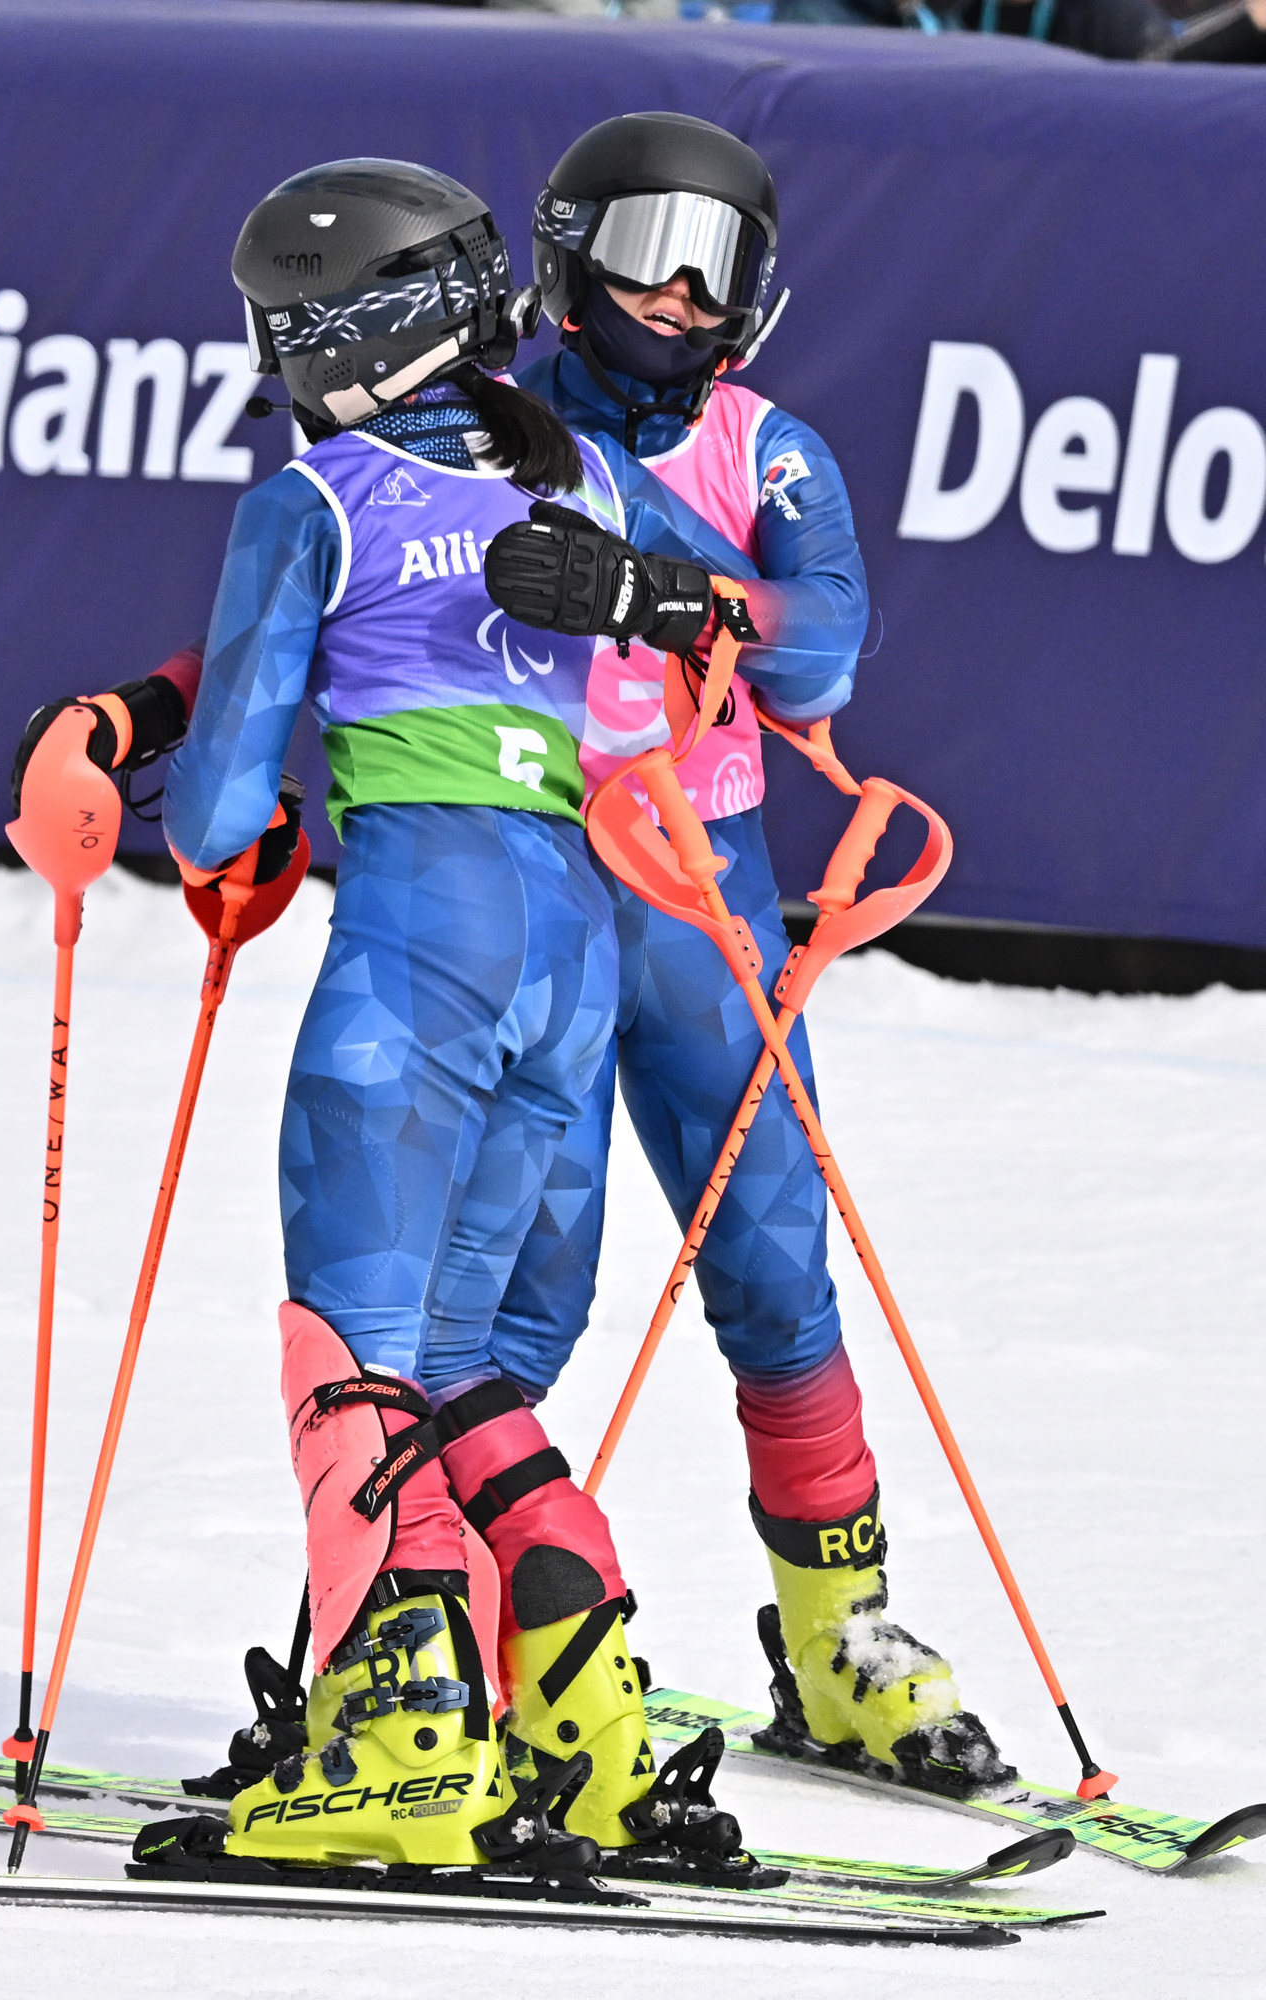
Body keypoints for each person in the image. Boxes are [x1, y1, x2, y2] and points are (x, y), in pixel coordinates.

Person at [12, 156, 772, 1872]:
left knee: (349, 1353)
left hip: (418, 945)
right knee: (465, 1371)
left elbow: (217, 816)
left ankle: (403, 1736)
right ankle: (581, 1732)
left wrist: (134, 771)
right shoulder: (574, 461)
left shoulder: (316, 496)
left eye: (284, 323)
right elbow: (721, 638)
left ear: (348, 330)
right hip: (574, 948)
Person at [502, 112, 1011, 1795]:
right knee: (521, 1285)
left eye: (713, 261)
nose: (675, 289)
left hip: (709, 902)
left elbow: (824, 652)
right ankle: (460, 1626)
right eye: (644, 244)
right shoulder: (482, 430)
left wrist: (659, 590)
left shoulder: (767, 449)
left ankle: (839, 1648)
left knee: (780, 1268)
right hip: (534, 886)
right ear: (568, 254)